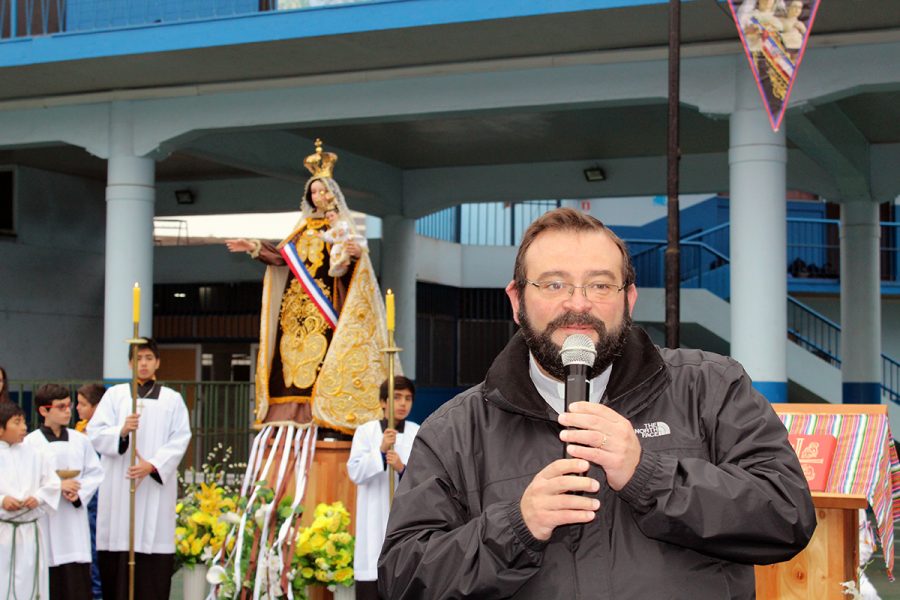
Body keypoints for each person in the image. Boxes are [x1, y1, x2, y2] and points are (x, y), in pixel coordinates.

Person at [379, 208, 816, 599]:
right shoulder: (455, 431)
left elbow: (787, 516)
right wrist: (516, 526)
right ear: (516, 300)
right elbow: (402, 579)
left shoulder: (711, 386)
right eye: (554, 283)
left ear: (628, 298)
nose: (578, 303)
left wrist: (649, 475)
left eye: (600, 284)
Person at [86, 338, 192, 600]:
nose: (143, 364)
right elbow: (95, 433)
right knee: (118, 556)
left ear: (157, 362)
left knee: (151, 561)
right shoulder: (115, 396)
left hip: (153, 487)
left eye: (148, 358)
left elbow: (180, 438)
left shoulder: (172, 399)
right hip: (120, 486)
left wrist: (152, 465)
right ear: (130, 364)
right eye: (138, 359)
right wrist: (121, 431)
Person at [25, 383, 104, 600]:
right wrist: (57, 487)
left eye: (69, 406)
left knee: (76, 584)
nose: (68, 411)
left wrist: (79, 494)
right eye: (61, 407)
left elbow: (95, 472)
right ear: (44, 410)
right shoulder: (31, 443)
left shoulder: (80, 440)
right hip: (47, 521)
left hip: (74, 522)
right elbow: (27, 481)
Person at [347, 376, 419, 600]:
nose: (402, 403)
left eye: (408, 398)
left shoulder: (418, 432)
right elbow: (355, 472)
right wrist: (380, 451)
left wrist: (401, 468)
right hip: (373, 519)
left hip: (404, 521)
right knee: (372, 578)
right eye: (396, 397)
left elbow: (424, 480)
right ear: (383, 402)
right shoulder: (366, 432)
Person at [0, 399, 61, 599]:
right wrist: (2, 501)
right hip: (3, 529)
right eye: (17, 422)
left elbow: (52, 483)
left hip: (29, 530)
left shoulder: (36, 454)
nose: (24, 427)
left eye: (24, 422)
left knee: (30, 583)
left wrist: (38, 497)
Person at [76, 382, 107, 600]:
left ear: (97, 407)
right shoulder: (80, 430)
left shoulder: (101, 434)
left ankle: (97, 594)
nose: (77, 408)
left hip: (97, 499)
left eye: (82, 404)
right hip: (82, 499)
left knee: (94, 550)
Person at [318, 204, 368, 277]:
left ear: (338, 215)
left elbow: (345, 228)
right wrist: (322, 236)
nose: (330, 219)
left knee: (345, 252)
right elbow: (329, 237)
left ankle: (344, 262)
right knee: (333, 254)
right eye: (328, 217)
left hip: (343, 242)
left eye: (332, 216)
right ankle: (334, 266)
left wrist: (342, 231)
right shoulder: (332, 229)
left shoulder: (342, 223)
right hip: (337, 244)